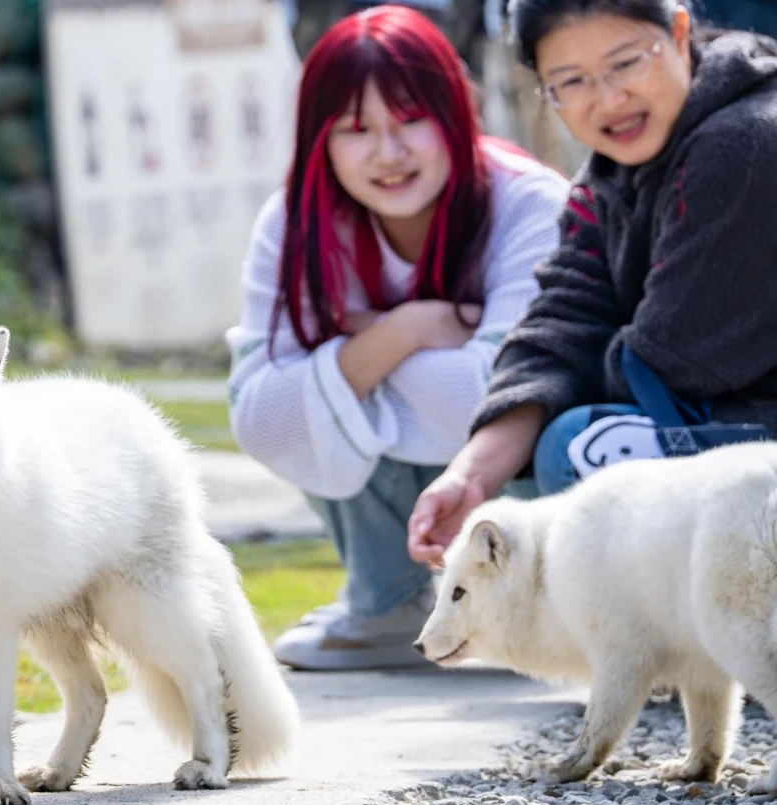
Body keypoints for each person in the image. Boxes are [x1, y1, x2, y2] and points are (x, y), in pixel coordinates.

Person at [224, 4, 570, 670]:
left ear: (456, 114)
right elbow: (261, 417)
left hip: (521, 494)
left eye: (411, 119)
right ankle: (386, 605)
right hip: (402, 467)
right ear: (320, 138)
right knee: (317, 413)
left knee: (337, 401)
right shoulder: (295, 223)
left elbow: (495, 395)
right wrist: (407, 330)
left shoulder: (529, 204)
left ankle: (526, 616)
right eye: (356, 130)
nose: (388, 153)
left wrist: (340, 364)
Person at [407, 0, 777, 566]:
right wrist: (471, 475)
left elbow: (672, 359)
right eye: (571, 81)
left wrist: (561, 381)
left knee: (584, 447)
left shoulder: (743, 141)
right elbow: (567, 310)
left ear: (680, 33)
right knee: (549, 443)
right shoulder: (609, 170)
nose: (607, 99)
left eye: (626, 63)